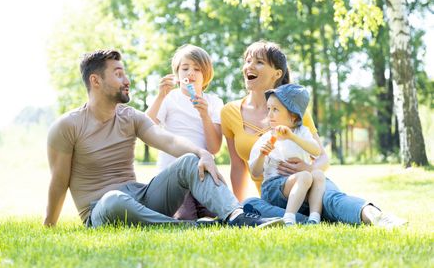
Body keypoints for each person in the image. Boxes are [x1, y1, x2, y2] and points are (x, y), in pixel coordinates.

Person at [44, 49, 283, 228]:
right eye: (118, 74)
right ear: (95, 81)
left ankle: (235, 216)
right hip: (101, 209)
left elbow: (167, 140)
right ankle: (192, 226)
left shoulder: (131, 117)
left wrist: (202, 153)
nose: (127, 80)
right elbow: (58, 181)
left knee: (191, 159)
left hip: (140, 197)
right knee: (113, 199)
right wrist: (49, 226)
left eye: (124, 73)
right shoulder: (67, 126)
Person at [221, 40, 406, 228]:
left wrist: (306, 171)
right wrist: (237, 211)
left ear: (277, 73)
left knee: (331, 197)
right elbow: (238, 167)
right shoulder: (230, 112)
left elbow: (322, 158)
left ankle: (377, 216)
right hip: (275, 196)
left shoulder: (295, 113)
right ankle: (307, 220)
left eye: (259, 62)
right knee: (249, 205)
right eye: (247, 60)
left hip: (309, 184)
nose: (249, 66)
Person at [146, 44, 223, 220]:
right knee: (185, 217)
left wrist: (204, 115)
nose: (190, 73)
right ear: (177, 74)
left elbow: (214, 148)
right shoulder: (169, 98)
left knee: (219, 215)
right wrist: (160, 96)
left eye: (197, 69)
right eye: (185, 68)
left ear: (206, 75)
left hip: (203, 173)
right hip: (173, 174)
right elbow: (146, 127)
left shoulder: (214, 102)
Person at [249, 84, 325, 226]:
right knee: (305, 176)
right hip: (273, 189)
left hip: (300, 190)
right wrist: (262, 155)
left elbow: (316, 151)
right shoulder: (267, 138)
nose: (269, 114)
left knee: (319, 175)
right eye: (268, 109)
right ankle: (288, 219)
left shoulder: (302, 132)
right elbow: (255, 172)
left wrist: (292, 137)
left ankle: (314, 218)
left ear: (293, 117)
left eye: (275, 110)